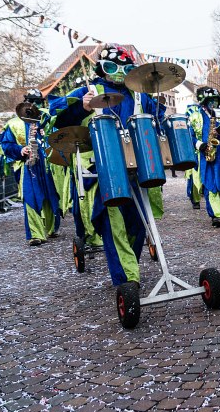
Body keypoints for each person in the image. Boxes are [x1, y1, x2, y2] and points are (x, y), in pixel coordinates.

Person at [51, 44, 167, 290]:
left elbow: (158, 119)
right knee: (114, 225)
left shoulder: (139, 94)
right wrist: (81, 107)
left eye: (125, 68)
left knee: (138, 224)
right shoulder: (89, 90)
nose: (119, 73)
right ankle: (127, 279)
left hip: (138, 169)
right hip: (104, 171)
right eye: (112, 67)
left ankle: (129, 270)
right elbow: (56, 118)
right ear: (102, 68)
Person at [0, 89, 60, 246]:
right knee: (31, 197)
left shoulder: (48, 119)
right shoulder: (14, 124)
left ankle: (51, 228)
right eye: (31, 101)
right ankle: (35, 233)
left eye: (38, 102)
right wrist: (20, 150)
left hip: (48, 166)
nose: (34, 105)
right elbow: (6, 145)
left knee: (50, 195)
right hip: (27, 167)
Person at [189, 87, 220, 227]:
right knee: (210, 184)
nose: (213, 104)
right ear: (204, 102)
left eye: (215, 101)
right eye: (210, 101)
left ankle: (219, 209)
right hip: (205, 154)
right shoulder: (196, 116)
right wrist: (200, 145)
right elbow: (189, 136)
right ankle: (216, 215)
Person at [184, 92, 204, 210]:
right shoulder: (191, 113)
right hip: (195, 150)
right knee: (193, 176)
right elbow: (188, 132)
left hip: (207, 149)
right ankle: (195, 199)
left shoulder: (211, 113)